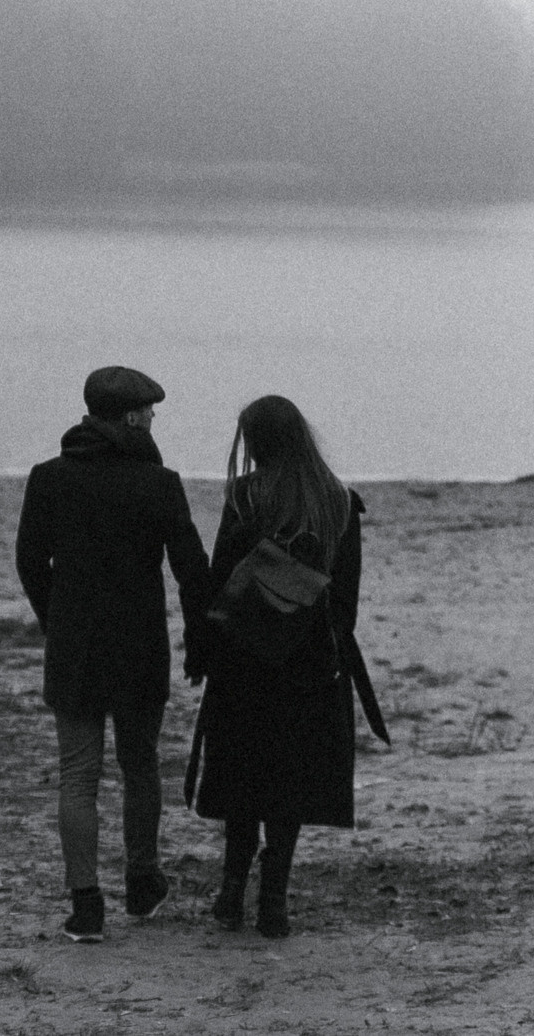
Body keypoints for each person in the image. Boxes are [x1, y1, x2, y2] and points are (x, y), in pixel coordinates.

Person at [15, 365, 213, 943]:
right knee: (139, 765)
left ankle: (86, 905)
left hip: (75, 644)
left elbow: (30, 561)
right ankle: (143, 879)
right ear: (130, 416)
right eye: (149, 410)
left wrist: (56, 620)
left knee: (78, 776)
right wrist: (201, 637)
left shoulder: (48, 478)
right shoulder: (159, 482)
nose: (153, 418)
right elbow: (191, 572)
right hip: (138, 644)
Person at [185, 394, 384, 939]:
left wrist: (202, 652)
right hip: (310, 667)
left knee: (242, 776)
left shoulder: (246, 497)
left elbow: (222, 582)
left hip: (244, 662)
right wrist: (321, 650)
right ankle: (274, 902)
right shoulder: (338, 501)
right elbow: (345, 604)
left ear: (258, 440)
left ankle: (230, 894)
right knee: (289, 784)